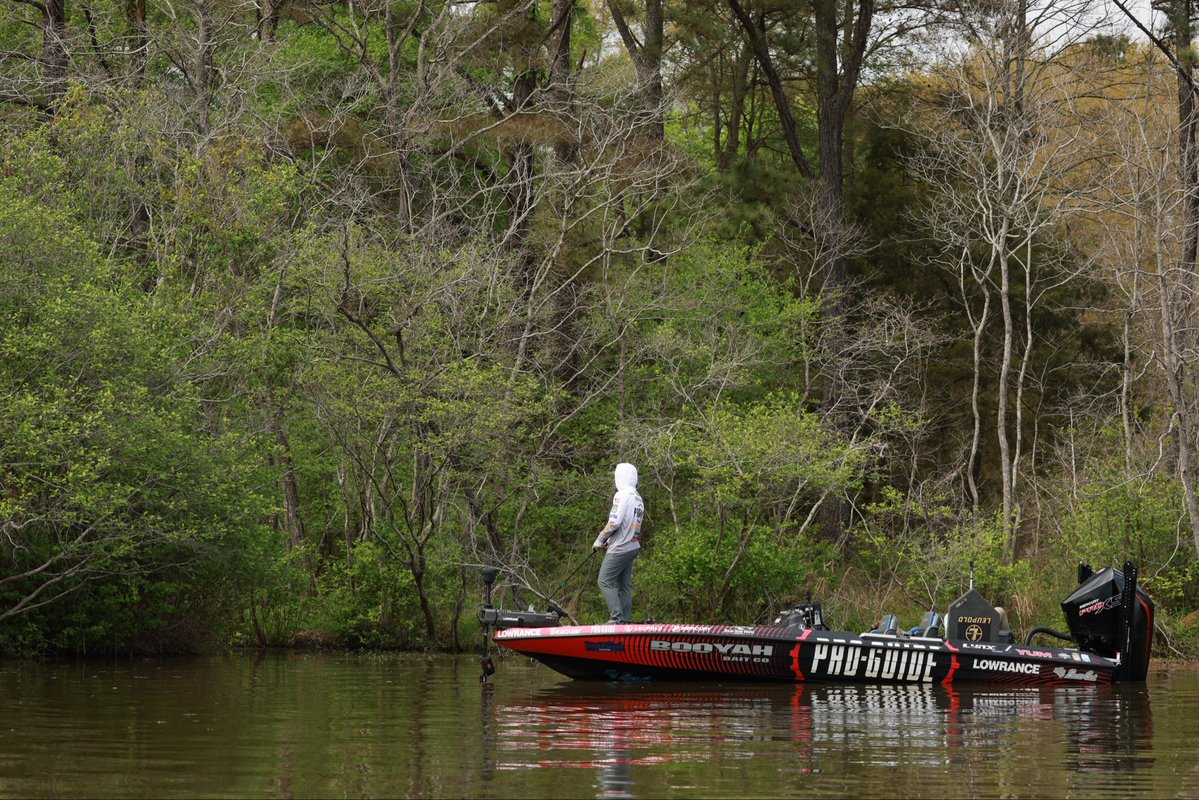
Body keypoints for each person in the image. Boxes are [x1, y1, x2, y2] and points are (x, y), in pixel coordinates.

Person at [592, 462, 644, 624]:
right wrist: (610, 539)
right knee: (624, 585)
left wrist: (600, 539)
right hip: (633, 546)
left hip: (620, 547)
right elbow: (628, 523)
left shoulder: (621, 495)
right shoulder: (638, 498)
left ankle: (616, 618)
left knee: (604, 581)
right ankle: (625, 620)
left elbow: (614, 522)